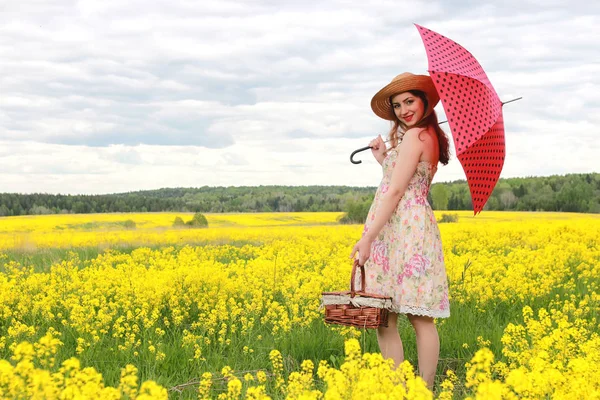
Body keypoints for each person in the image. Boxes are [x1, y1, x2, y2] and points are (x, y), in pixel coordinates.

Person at [350, 72, 451, 389]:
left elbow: (395, 193)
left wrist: (366, 239)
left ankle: (404, 389)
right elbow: (404, 180)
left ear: (424, 101)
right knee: (410, 317)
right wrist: (384, 160)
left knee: (391, 318)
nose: (404, 109)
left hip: (399, 230)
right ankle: (423, 389)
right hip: (412, 226)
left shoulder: (414, 136)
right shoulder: (428, 137)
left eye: (410, 101)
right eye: (397, 105)